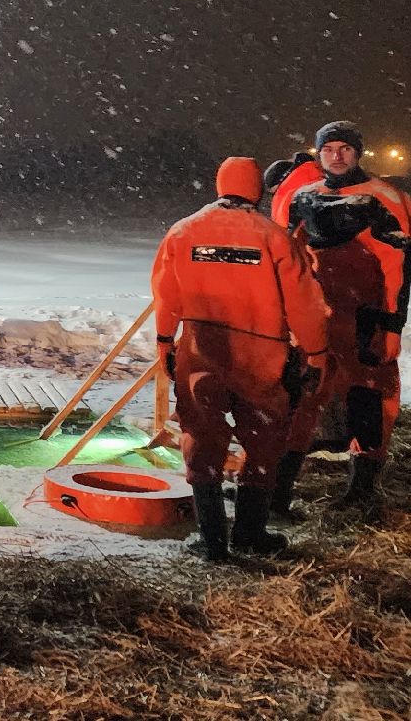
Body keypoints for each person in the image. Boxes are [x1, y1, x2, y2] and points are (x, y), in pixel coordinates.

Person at [152, 157, 331, 561]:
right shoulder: (274, 237)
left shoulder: (184, 232)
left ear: (220, 185)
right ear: (256, 190)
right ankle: (251, 532)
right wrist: (316, 353)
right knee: (265, 437)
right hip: (263, 353)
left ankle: (212, 539)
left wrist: (165, 341)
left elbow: (167, 296)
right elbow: (306, 305)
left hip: (202, 348)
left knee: (200, 435)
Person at [271, 123, 411, 515]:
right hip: (317, 318)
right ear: (318, 154)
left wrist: (391, 324)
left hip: (364, 317)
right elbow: (287, 256)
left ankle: (361, 489)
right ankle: (278, 483)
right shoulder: (304, 197)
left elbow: (398, 267)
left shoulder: (385, 198)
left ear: (359, 153)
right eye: (329, 149)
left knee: (368, 398)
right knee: (303, 394)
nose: (337, 155)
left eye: (345, 148)